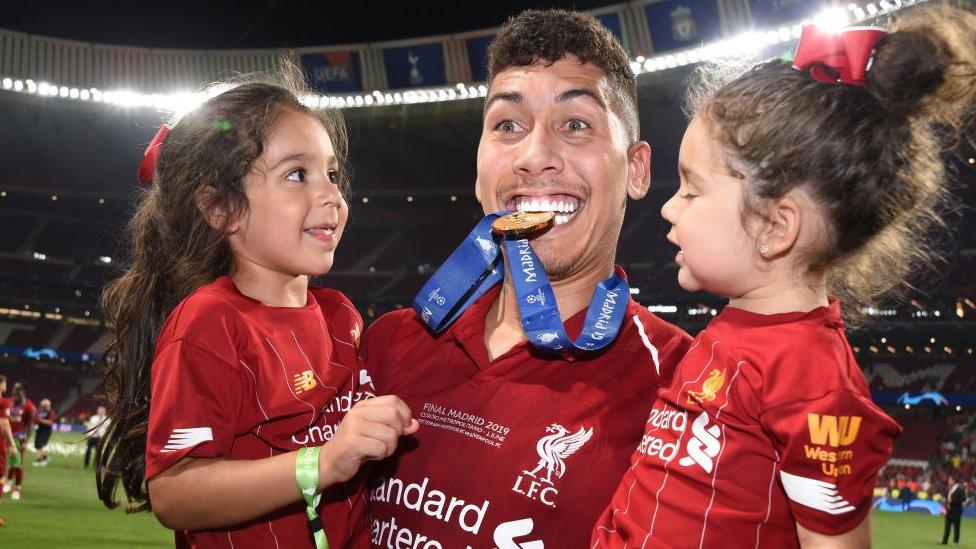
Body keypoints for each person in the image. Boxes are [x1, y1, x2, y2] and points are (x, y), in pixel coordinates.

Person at [592, 4, 976, 547]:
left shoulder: (811, 381)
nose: (669, 209)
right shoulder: (733, 334)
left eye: (692, 190)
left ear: (776, 226)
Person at [361, 10, 692, 548]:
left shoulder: (686, 389)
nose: (534, 157)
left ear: (636, 170)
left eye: (576, 124)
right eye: (508, 126)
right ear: (478, 169)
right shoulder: (388, 344)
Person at [96, 69, 418, 549]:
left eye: (332, 174)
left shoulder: (340, 316)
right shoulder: (210, 323)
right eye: (296, 174)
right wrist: (322, 463)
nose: (332, 195)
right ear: (221, 209)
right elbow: (175, 492)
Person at [3, 383, 35, 501]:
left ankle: (17, 488)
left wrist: (25, 441)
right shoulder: (9, 403)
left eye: (18, 392)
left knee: (17, 464)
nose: (15, 395)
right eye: (14, 392)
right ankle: (8, 482)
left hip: (19, 438)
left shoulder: (28, 406)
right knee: (10, 462)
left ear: (23, 393)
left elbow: (30, 425)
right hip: (7, 437)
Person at [0, 375, 20, 527]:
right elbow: (5, 424)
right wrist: (13, 445)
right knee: (1, 477)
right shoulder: (4, 402)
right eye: (5, 382)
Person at [942, 476, 969, 545]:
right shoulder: (949, 489)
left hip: (956, 511)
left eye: (950, 480)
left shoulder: (960, 489)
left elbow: (964, 498)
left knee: (956, 527)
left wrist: (953, 501)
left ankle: (955, 542)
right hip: (949, 510)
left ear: (954, 481)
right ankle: (944, 541)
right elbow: (948, 499)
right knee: (947, 526)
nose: (949, 481)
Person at [32, 398, 56, 467]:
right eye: (42, 406)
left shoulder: (51, 412)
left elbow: (50, 422)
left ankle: (39, 460)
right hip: (39, 430)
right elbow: (35, 418)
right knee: (37, 445)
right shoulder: (39, 410)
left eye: (44, 406)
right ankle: (45, 458)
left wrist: (40, 420)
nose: (43, 407)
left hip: (46, 431)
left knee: (40, 444)